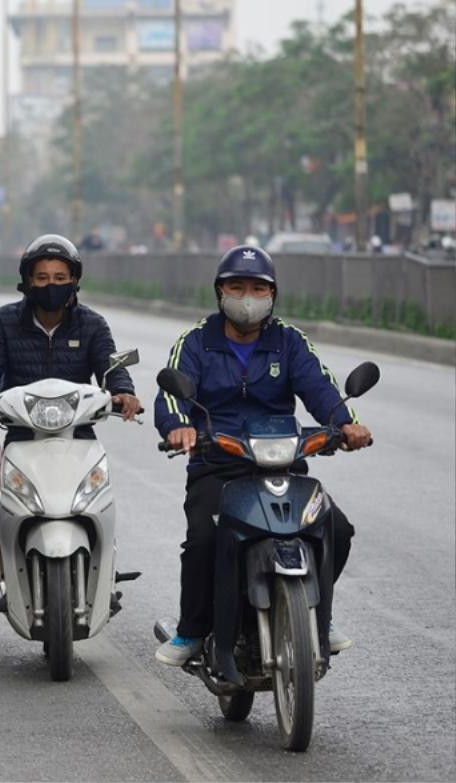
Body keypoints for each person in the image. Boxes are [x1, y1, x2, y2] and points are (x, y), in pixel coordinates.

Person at [152, 245, 373, 666]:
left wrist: (345, 425)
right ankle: (193, 631)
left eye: (258, 287)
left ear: (273, 294)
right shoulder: (196, 341)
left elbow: (320, 388)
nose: (248, 297)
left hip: (283, 461)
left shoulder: (288, 341)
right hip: (218, 464)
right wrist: (180, 427)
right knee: (204, 539)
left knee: (336, 529)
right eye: (237, 286)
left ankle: (318, 614)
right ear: (220, 292)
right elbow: (173, 394)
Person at [0, 234, 140, 436]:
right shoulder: (4, 321)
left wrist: (123, 391)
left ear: (74, 280)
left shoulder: (93, 324)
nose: (51, 285)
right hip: (23, 436)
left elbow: (110, 367)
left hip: (78, 435)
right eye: (42, 278)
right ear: (29, 280)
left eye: (60, 278)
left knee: (99, 468)